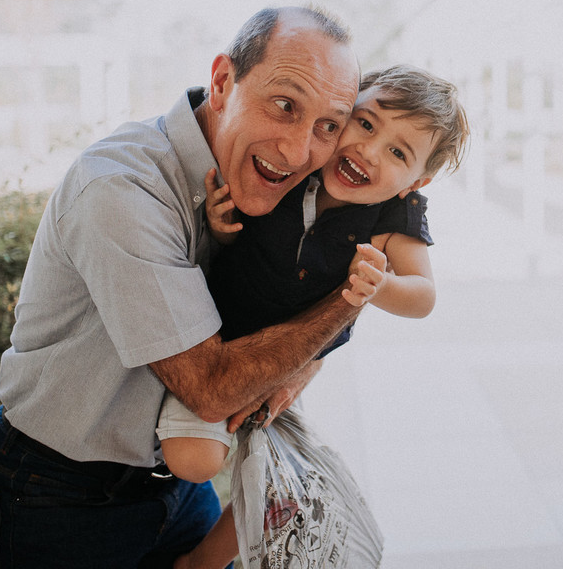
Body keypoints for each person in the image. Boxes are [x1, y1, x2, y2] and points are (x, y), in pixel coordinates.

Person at [0, 6, 365, 568]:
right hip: (58, 496)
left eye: (328, 126)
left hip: (176, 487)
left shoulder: (262, 180)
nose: (299, 150)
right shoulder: (121, 189)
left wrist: (310, 356)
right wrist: (349, 301)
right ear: (223, 82)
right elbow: (210, 388)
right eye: (285, 105)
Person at [158, 64, 470, 569]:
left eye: (397, 153)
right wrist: (219, 228)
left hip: (287, 357)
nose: (369, 151)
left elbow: (424, 295)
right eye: (365, 124)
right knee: (194, 460)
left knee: (274, 484)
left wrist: (381, 285)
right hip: (219, 342)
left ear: (418, 180)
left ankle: (201, 562)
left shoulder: (393, 216)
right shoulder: (294, 163)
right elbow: (235, 246)